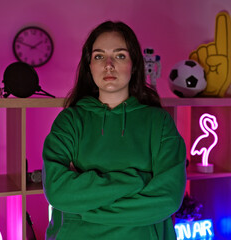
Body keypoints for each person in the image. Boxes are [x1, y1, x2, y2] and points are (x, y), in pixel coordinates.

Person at [42, 20, 186, 240]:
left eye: (119, 56)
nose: (109, 65)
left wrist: (83, 209)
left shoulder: (159, 122)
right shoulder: (70, 121)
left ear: (134, 64)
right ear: (89, 65)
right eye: (99, 56)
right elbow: (57, 190)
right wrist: (137, 180)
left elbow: (167, 198)